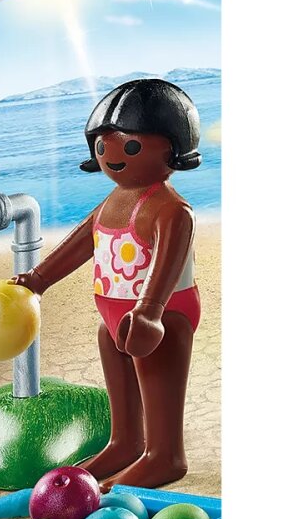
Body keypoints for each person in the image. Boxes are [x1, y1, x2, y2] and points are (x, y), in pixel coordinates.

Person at [14, 78, 202, 488]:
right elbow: (83, 241)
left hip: (160, 318)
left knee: (154, 369)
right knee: (111, 350)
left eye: (131, 147)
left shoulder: (171, 210)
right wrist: (39, 279)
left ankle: (163, 456)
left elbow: (166, 267)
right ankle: (126, 443)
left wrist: (150, 313)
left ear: (173, 147)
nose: (112, 156)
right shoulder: (114, 201)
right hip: (116, 319)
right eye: (102, 146)